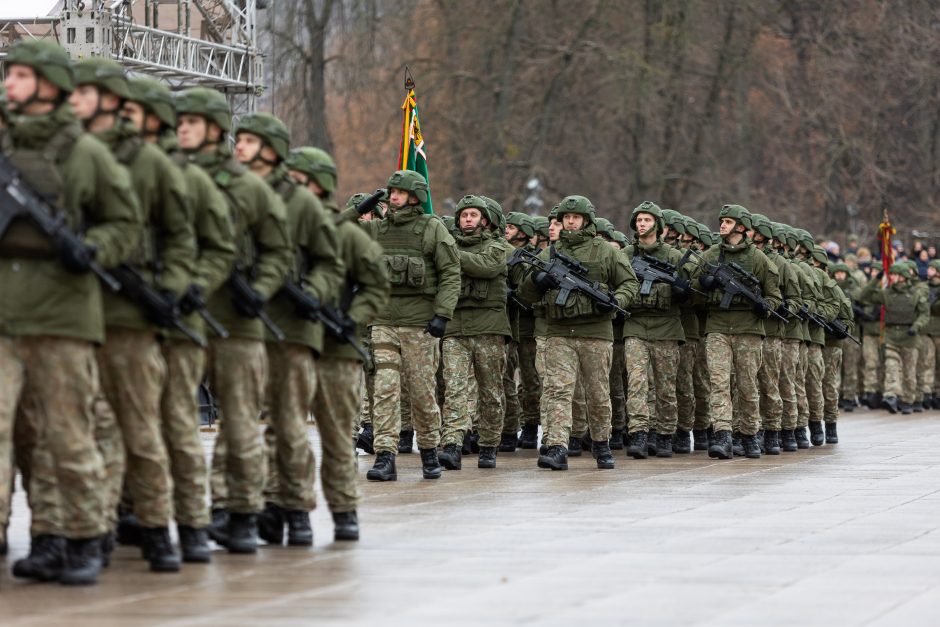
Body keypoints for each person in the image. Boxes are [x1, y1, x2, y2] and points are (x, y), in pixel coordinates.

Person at [2, 39, 141, 585]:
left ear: (48, 85)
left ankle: (79, 535)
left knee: (67, 431)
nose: (9, 84)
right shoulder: (6, 145)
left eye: (20, 75)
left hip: (62, 310)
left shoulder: (86, 153)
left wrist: (94, 248)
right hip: (5, 308)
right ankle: (40, 536)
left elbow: (124, 225)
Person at [69, 57, 197, 572]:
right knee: (90, 425)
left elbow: (182, 237)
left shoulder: (151, 163)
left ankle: (157, 525)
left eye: (85, 92)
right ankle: (94, 529)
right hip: (78, 310)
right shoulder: (70, 154)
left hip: (133, 313)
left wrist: (168, 289)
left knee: (142, 428)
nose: (73, 100)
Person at [124, 76, 237, 563]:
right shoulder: (118, 166)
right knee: (122, 423)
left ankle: (191, 524)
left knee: (175, 423)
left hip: (180, 316)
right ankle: (128, 516)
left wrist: (191, 289)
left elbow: (219, 247)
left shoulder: (193, 178)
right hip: (127, 316)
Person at [175, 88, 292, 553]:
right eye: (178, 120)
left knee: (239, 421)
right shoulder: (170, 175)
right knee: (174, 419)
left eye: (192, 120)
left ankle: (240, 511)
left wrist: (259, 292)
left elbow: (278, 251)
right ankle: (192, 513)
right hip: (181, 315)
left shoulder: (248, 186)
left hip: (236, 318)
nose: (182, 127)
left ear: (212, 128)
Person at [230, 113, 343, 548]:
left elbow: (329, 262)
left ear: (271, 149)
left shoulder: (301, 203)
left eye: (250, 140)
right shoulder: (230, 190)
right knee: (240, 424)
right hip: (242, 320)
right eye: (237, 139)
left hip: (292, 326)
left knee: (289, 423)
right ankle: (248, 507)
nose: (239, 146)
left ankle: (295, 508)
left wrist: (312, 293)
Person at [287, 146, 389, 540]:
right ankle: (294, 510)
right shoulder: (282, 232)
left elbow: (376, 285)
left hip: (337, 347)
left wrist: (352, 318)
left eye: (300, 181)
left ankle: (344, 509)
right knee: (288, 434)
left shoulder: (346, 235)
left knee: (337, 436)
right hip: (292, 342)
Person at [519, 195, 638, 471]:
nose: (570, 222)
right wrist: (537, 280)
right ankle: (558, 446)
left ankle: (601, 444)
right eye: (566, 217)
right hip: (558, 332)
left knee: (597, 393)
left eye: (576, 217)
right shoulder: (550, 252)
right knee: (558, 391)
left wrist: (616, 301)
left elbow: (629, 283)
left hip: (596, 333)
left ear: (586, 220)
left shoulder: (605, 251)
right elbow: (525, 293)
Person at [365, 170, 461, 481]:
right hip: (383, 321)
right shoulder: (376, 230)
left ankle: (430, 451)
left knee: (422, 392)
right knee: (384, 390)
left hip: (420, 325)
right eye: (391, 190)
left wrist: (442, 314)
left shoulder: (432, 229)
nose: (393, 196)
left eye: (400, 192)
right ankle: (384, 456)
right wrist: (357, 209)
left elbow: (450, 273)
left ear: (415, 197)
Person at [696, 204, 781, 459]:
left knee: (747, 385)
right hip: (718, 327)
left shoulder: (758, 259)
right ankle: (722, 435)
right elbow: (693, 288)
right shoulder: (712, 254)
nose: (722, 225)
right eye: (721, 221)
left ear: (741, 227)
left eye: (728, 222)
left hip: (748, 329)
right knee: (719, 383)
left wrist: (764, 306)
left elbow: (774, 296)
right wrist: (704, 284)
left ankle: (749, 435)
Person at [438, 195, 512, 470]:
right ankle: (453, 444)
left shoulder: (497, 247)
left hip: (489, 329)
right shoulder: (448, 246)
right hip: (455, 327)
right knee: (454, 389)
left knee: (491, 392)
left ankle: (489, 444)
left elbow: (487, 266)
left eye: (473, 215)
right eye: (464, 215)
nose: (468, 219)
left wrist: (448, 253)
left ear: (485, 220)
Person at [620, 202, 692, 459]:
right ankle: (639, 433)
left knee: (664, 387)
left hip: (667, 328)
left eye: (647, 220)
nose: (642, 224)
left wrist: (684, 289)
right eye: (639, 220)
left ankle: (664, 434)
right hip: (636, 326)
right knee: (637, 384)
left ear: (658, 226)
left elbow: (694, 291)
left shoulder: (673, 256)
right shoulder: (626, 255)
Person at [860, 263, 929, 414]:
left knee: (909, 373)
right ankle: (891, 395)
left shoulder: (915, 294)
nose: (891, 277)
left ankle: (908, 401)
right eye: (890, 274)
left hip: (909, 337)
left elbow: (924, 314)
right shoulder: (887, 293)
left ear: (903, 277)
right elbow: (863, 296)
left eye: (894, 274)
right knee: (891, 366)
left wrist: (916, 327)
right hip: (891, 336)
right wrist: (876, 279)